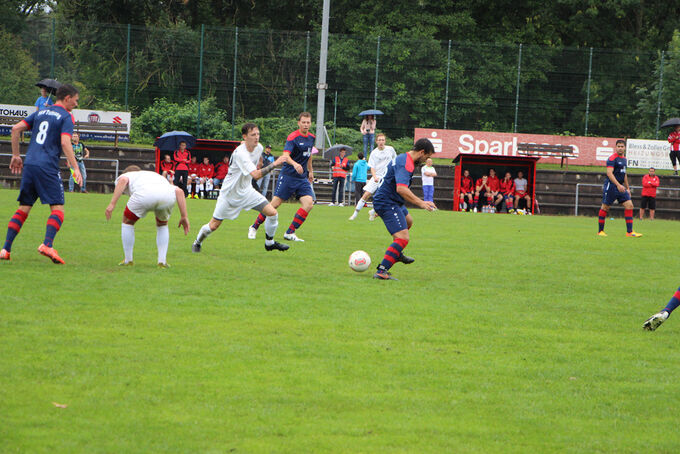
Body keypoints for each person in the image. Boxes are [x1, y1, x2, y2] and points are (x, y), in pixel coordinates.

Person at [1, 84, 82, 263]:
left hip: (30, 164)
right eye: (75, 101)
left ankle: (5, 249)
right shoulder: (66, 116)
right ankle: (47, 245)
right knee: (58, 209)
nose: (76, 104)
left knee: (24, 208)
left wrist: (16, 155)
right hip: (47, 167)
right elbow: (65, 142)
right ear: (67, 98)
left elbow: (15, 129)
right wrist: (75, 167)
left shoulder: (41, 112)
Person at [192, 123, 289, 253]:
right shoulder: (240, 153)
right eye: (253, 135)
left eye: (258, 134)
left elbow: (258, 159)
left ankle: (269, 243)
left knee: (272, 213)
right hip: (229, 194)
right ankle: (197, 242)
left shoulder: (259, 147)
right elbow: (256, 175)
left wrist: (260, 163)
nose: (257, 137)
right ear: (244, 136)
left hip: (247, 191)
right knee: (213, 226)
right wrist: (275, 163)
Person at [372, 138, 437, 280]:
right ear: (421, 152)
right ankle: (382, 271)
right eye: (427, 156)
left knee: (408, 222)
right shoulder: (406, 163)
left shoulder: (403, 157)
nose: (426, 160)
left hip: (392, 200)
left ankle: (396, 253)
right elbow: (401, 188)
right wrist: (421, 203)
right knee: (403, 238)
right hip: (387, 201)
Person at [248, 112, 315, 242]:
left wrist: (310, 171)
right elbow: (285, 156)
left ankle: (290, 232)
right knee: (274, 204)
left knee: (309, 204)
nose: (306, 125)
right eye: (303, 122)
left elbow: (309, 154)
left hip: (302, 178)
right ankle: (254, 226)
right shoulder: (293, 137)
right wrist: (295, 164)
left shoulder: (312, 137)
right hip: (288, 176)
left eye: (308, 122)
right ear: (299, 123)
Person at [105, 166, 190, 267]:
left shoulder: (128, 175)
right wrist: (184, 216)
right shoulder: (156, 176)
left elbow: (123, 180)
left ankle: (128, 260)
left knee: (127, 221)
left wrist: (112, 204)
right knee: (162, 224)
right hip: (167, 196)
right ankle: (162, 261)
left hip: (144, 195)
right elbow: (179, 192)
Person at [597, 139, 642, 237]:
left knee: (629, 205)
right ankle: (600, 231)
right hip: (611, 186)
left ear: (625, 148)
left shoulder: (624, 159)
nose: (620, 148)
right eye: (618, 146)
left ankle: (629, 232)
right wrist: (618, 185)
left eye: (622, 146)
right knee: (605, 207)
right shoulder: (612, 159)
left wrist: (628, 188)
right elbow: (609, 173)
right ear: (616, 147)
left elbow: (624, 174)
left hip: (621, 186)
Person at [348, 133, 396, 221]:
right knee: (366, 195)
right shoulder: (374, 153)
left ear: (385, 141)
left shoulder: (390, 149)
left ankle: (373, 211)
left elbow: (394, 161)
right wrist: (375, 177)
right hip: (376, 176)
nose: (381, 142)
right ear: (376, 141)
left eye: (383, 140)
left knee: (385, 197)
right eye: (379, 140)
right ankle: (354, 214)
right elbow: (372, 167)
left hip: (386, 177)